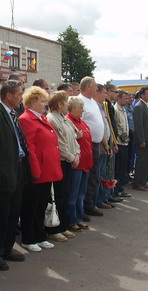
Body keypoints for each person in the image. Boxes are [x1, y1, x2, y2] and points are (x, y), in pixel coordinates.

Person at [0, 80, 29, 271]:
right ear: (9, 96)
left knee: (13, 213)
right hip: (2, 173)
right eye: (19, 93)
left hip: (17, 168)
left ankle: (7, 248)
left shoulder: (13, 113)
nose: (21, 97)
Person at [19, 87, 63, 252]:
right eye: (42, 101)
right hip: (39, 171)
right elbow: (29, 147)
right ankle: (29, 238)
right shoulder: (26, 119)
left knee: (41, 205)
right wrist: (35, 169)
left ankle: (39, 235)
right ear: (32, 102)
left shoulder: (41, 118)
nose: (45, 104)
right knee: (31, 206)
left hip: (48, 169)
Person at [46, 91, 80, 241]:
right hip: (61, 161)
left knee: (66, 194)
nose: (68, 105)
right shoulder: (52, 118)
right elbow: (60, 143)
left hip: (70, 161)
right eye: (66, 102)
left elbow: (76, 135)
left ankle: (63, 225)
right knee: (58, 196)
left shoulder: (63, 118)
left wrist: (77, 153)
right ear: (59, 104)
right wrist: (72, 157)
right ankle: (55, 228)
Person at [78, 77, 105, 217]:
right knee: (87, 177)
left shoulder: (93, 102)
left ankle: (90, 203)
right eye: (95, 86)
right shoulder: (79, 101)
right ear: (88, 86)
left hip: (97, 144)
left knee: (94, 176)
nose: (96, 88)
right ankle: (85, 206)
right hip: (86, 145)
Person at [66, 97, 93, 231]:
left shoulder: (81, 121)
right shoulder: (69, 121)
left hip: (85, 164)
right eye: (80, 107)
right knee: (73, 195)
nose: (83, 110)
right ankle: (71, 220)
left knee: (80, 194)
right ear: (73, 108)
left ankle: (78, 217)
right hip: (77, 165)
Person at [132, 87, 148, 191]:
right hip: (143, 140)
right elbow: (138, 125)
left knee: (147, 163)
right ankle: (138, 183)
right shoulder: (138, 107)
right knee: (141, 162)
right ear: (142, 95)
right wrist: (142, 140)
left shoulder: (146, 106)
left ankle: (143, 181)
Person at [114, 90, 132, 198]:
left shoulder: (124, 110)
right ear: (119, 98)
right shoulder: (116, 110)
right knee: (118, 168)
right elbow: (116, 128)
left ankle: (121, 188)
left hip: (125, 142)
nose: (126, 100)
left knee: (122, 167)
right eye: (124, 98)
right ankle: (116, 189)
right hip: (119, 143)